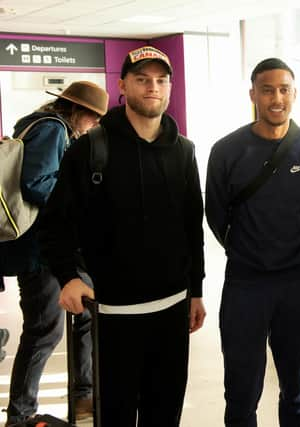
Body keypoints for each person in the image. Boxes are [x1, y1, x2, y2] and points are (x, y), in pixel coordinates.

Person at [37, 46, 206, 426]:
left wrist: (196, 290)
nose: (152, 88)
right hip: (113, 313)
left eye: (161, 80)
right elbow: (55, 222)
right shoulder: (90, 150)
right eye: (142, 80)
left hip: (172, 310)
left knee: (164, 414)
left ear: (169, 88)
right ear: (123, 86)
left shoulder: (184, 152)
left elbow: (191, 227)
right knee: (115, 414)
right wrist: (68, 277)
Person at [205, 57, 300, 427]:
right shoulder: (227, 150)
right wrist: (247, 249)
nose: (276, 98)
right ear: (253, 94)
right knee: (241, 389)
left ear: (294, 94)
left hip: (296, 283)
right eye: (267, 89)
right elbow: (215, 214)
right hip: (245, 284)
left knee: (295, 385)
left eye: (284, 89)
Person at [0, 80, 108, 425]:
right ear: (81, 112)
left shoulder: (34, 123)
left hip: (41, 246)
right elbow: (37, 183)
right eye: (94, 118)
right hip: (39, 248)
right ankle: (20, 414)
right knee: (44, 329)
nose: (94, 125)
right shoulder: (52, 130)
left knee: (83, 316)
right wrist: (78, 202)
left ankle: (82, 397)